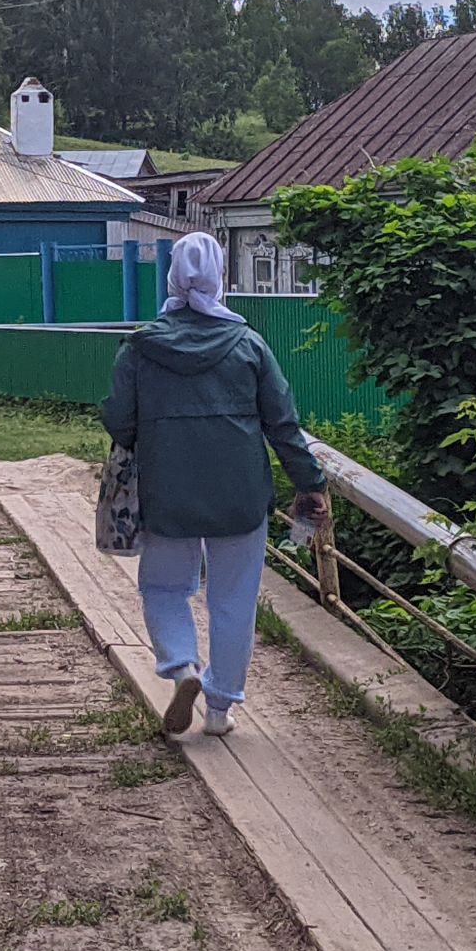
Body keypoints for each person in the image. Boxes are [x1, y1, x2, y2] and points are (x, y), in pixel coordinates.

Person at [100, 232, 328, 737]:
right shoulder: (249, 345)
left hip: (168, 494)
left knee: (163, 587)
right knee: (234, 598)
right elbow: (283, 424)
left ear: (174, 278)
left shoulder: (140, 346)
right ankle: (221, 708)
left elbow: (118, 419)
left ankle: (183, 666)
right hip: (241, 496)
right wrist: (310, 482)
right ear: (220, 277)